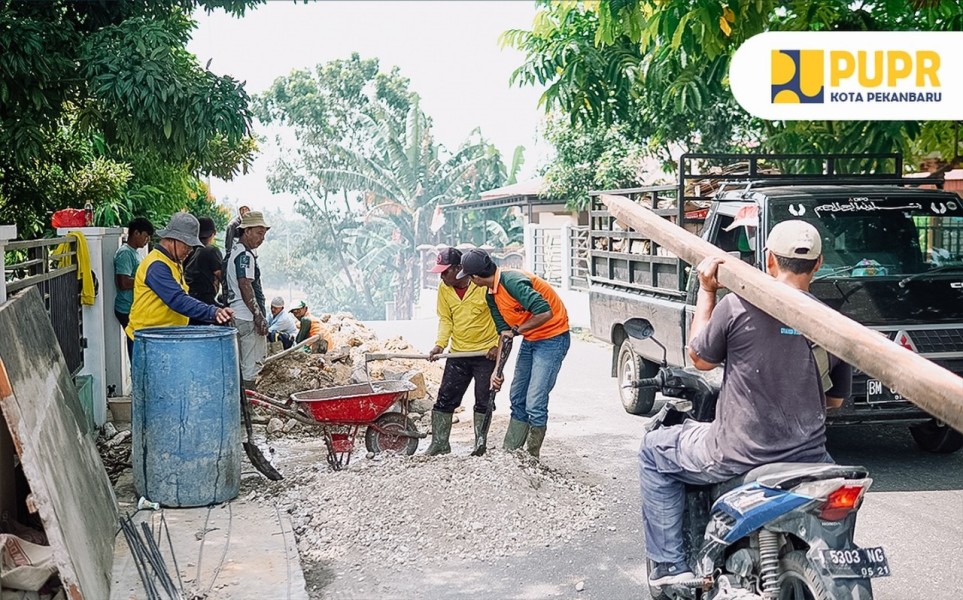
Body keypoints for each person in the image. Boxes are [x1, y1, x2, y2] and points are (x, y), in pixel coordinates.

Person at [638, 220, 852, 589]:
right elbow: (834, 400)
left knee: (654, 452)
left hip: (738, 453)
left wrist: (707, 291)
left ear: (769, 260)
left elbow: (699, 360)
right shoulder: (833, 323)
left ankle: (671, 568)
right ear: (818, 265)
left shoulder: (737, 306)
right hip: (811, 459)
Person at [457, 248, 570, 459]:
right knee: (517, 396)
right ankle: (512, 454)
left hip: (553, 338)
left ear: (476, 277)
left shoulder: (512, 282)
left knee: (535, 400)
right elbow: (505, 335)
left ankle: (531, 456)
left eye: (468, 277)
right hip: (532, 339)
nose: (469, 281)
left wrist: (518, 330)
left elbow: (545, 312)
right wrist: (497, 372)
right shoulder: (492, 295)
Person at [423, 247, 500, 456]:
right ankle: (439, 444)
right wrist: (440, 344)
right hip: (458, 354)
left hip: (485, 354)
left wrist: (497, 345)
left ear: (458, 269)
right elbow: (445, 319)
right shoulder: (444, 288)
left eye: (445, 271)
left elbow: (501, 317)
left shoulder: (482, 284)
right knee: (445, 399)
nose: (441, 275)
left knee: (484, 400)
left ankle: (480, 444)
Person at [125, 213, 233, 355]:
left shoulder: (173, 261)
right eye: (187, 246)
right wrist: (213, 312)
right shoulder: (157, 265)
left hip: (162, 338)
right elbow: (178, 299)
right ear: (172, 240)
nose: (190, 251)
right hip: (146, 340)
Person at [224, 211, 270, 388]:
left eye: (264, 234)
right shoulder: (245, 256)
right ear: (246, 231)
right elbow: (245, 284)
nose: (262, 238)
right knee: (251, 365)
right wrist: (258, 315)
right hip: (246, 316)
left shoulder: (233, 252)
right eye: (259, 233)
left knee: (242, 364)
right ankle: (249, 410)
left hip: (237, 314)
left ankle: (243, 408)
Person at [113, 217, 154, 330]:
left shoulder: (135, 252)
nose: (147, 240)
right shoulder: (125, 253)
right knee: (135, 343)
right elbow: (123, 283)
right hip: (126, 308)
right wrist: (148, 281)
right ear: (136, 233)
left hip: (134, 307)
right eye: (146, 236)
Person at [185, 216, 223, 325]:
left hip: (188, 303)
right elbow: (221, 277)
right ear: (213, 233)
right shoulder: (211, 251)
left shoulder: (188, 251)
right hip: (205, 302)